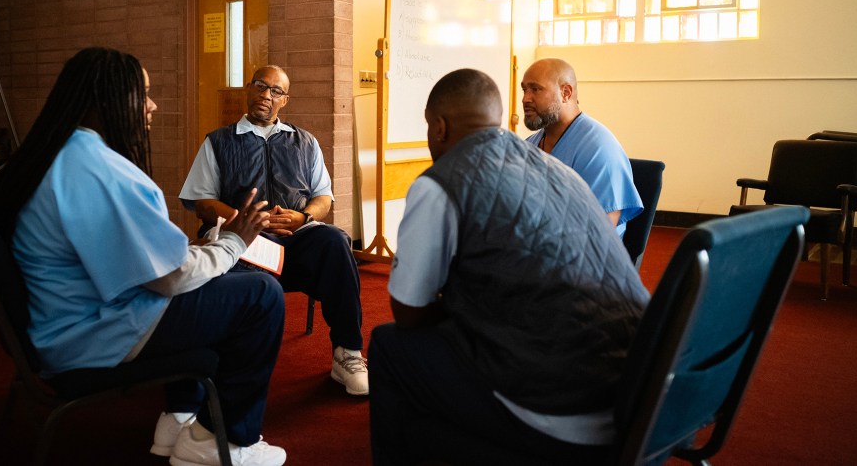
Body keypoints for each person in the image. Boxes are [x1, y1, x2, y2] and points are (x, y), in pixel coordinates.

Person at [0, 47, 287, 466]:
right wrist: (235, 241)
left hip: (63, 322)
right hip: (93, 333)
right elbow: (170, 279)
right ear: (104, 100)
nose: (152, 105)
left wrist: (209, 250)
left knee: (220, 278)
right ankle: (219, 443)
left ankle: (178, 420)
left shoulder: (60, 152)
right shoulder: (96, 167)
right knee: (261, 295)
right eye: (141, 93)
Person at [368, 69, 651, 465]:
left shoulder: (441, 182)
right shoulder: (560, 171)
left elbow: (410, 311)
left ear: (438, 126)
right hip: (640, 400)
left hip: (562, 414)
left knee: (389, 345)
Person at [179, 65, 368, 396]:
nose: (266, 95)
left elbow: (324, 196)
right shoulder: (219, 141)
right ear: (249, 90)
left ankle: (347, 354)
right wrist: (246, 219)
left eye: (275, 91)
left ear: (285, 100)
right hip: (244, 241)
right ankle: (223, 367)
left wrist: (303, 217)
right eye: (260, 86)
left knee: (335, 240)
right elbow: (200, 201)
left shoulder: (305, 141)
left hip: (294, 240)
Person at [521, 58, 642, 237]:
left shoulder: (600, 149)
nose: (525, 99)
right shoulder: (530, 145)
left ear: (566, 92)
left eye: (536, 89)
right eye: (524, 90)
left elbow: (598, 235)